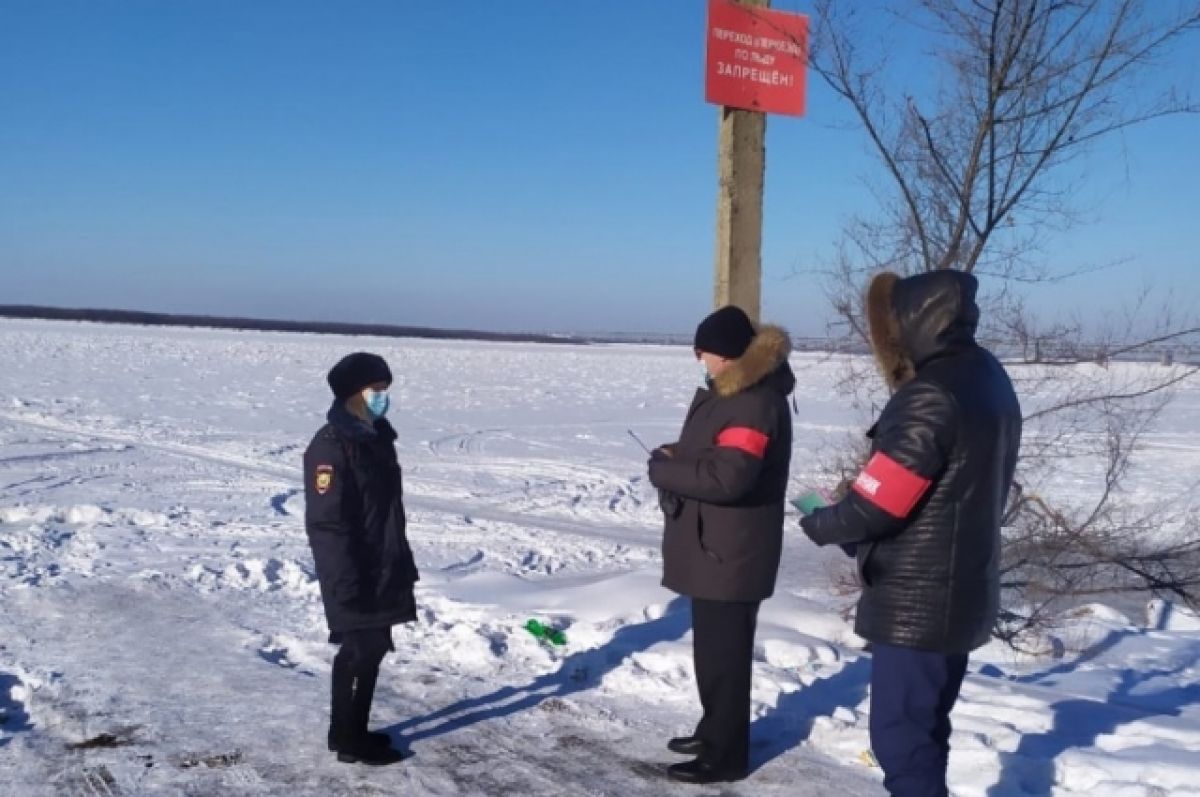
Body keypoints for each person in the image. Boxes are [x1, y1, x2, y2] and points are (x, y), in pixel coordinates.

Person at [800, 271, 1021, 797]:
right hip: (962, 589)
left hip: (919, 604)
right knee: (925, 731)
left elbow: (878, 505)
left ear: (915, 321)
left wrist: (822, 521)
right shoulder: (987, 376)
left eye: (895, 322)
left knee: (900, 738)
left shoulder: (931, 395)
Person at [647, 305, 795, 784]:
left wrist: (664, 470)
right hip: (716, 547)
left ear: (726, 355)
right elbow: (716, 454)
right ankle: (714, 730)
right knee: (713, 653)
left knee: (725, 658)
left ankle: (725, 755)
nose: (699, 358)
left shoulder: (751, 402)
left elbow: (729, 477)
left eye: (703, 350)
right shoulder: (731, 395)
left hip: (731, 550)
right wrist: (679, 453)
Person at [304, 351, 419, 766]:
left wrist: (399, 562)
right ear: (352, 393)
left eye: (385, 390)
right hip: (353, 571)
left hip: (382, 564)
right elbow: (328, 524)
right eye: (375, 390)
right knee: (358, 649)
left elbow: (385, 511)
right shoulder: (330, 447)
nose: (382, 398)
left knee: (371, 649)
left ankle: (353, 731)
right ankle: (347, 738)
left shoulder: (375, 437)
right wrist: (346, 581)